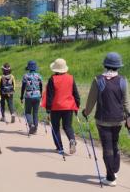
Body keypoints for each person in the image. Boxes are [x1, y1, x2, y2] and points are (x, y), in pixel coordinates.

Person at [82, 52, 130, 187]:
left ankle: (110, 178)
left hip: (103, 120)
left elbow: (91, 101)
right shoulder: (123, 80)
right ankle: (114, 170)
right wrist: (129, 116)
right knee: (114, 144)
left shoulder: (98, 80)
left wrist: (86, 112)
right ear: (118, 66)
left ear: (105, 65)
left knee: (107, 148)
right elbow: (126, 103)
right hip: (119, 119)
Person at [44, 58, 80, 155]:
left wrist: (48, 108)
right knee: (67, 126)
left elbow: (49, 95)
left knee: (55, 127)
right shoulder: (71, 78)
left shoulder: (52, 79)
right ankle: (72, 140)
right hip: (68, 107)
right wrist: (77, 106)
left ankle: (59, 147)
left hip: (56, 107)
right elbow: (76, 94)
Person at [20, 61, 43, 134]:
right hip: (37, 95)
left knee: (27, 112)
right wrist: (41, 94)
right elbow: (41, 86)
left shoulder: (25, 76)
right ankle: (35, 128)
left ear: (28, 68)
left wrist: (21, 96)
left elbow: (23, 87)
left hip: (28, 95)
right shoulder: (39, 76)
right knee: (35, 113)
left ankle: (31, 124)